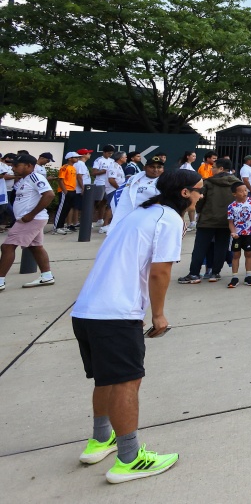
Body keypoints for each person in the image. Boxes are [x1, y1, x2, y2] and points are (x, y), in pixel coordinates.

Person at [70, 168, 201, 483]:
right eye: (199, 189)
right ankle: (129, 458)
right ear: (184, 193)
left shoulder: (138, 213)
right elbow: (160, 272)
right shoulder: (169, 219)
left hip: (87, 309)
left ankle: (101, 439)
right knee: (128, 381)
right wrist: (158, 314)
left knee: (107, 379)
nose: (201, 194)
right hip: (117, 313)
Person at [178, 158, 239, 284]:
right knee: (221, 247)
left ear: (221, 168)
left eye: (214, 167)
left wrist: (199, 211)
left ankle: (194, 274)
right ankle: (215, 273)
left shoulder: (208, 183)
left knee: (200, 247)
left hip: (208, 220)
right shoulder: (237, 183)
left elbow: (200, 201)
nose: (212, 169)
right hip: (227, 221)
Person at [0, 154, 55, 290]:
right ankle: (47, 276)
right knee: (35, 247)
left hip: (30, 220)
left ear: (29, 166)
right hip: (30, 219)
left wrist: (31, 215)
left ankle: (0, 280)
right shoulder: (24, 179)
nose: (13, 168)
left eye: (16, 166)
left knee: (7, 247)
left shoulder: (35, 177)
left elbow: (49, 194)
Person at [110, 154, 166, 229]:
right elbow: (119, 195)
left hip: (154, 218)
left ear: (163, 169)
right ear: (145, 168)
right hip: (132, 217)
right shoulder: (132, 179)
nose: (155, 170)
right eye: (152, 167)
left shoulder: (167, 182)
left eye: (159, 167)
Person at [226, 181, 251, 288]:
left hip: (249, 234)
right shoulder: (231, 206)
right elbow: (230, 222)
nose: (244, 193)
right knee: (236, 255)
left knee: (248, 254)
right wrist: (233, 232)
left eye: (245, 190)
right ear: (234, 194)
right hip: (237, 235)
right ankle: (235, 277)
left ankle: (248, 276)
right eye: (241, 191)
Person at [53, 152, 79, 234]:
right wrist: (65, 191)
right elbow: (60, 180)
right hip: (66, 190)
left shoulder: (73, 168)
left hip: (72, 190)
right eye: (75, 157)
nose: (77, 158)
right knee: (61, 209)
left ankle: (61, 226)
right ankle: (56, 227)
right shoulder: (65, 167)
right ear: (69, 158)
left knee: (67, 209)